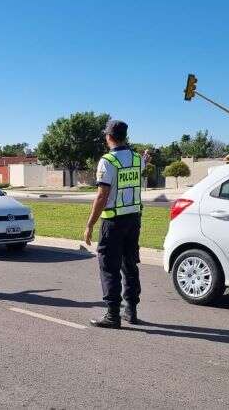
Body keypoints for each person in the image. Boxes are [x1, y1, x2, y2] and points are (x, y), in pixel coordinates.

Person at [84, 120, 147, 329]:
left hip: (113, 221)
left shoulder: (108, 161)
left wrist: (90, 224)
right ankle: (131, 310)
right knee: (130, 264)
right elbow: (142, 166)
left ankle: (113, 314)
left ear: (109, 136)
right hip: (133, 219)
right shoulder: (138, 159)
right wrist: (146, 157)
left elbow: (102, 196)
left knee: (109, 267)